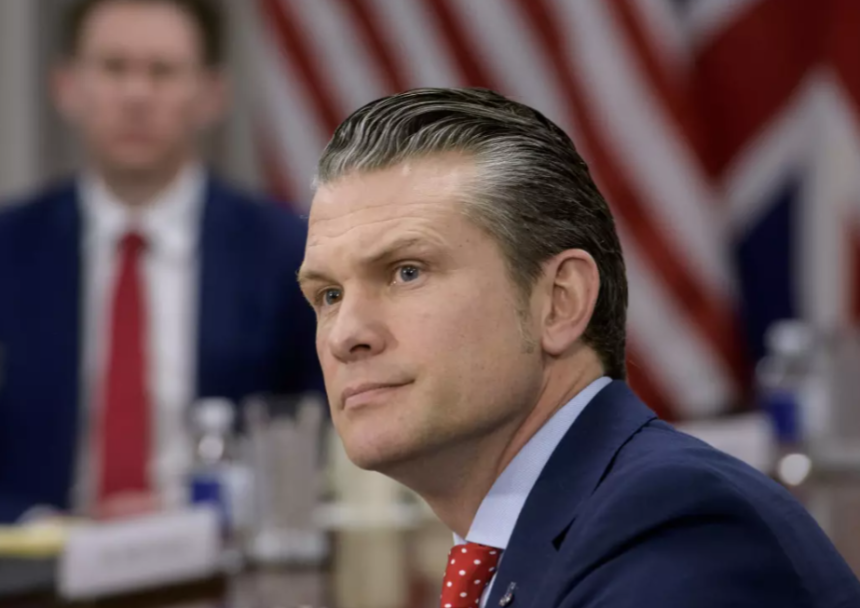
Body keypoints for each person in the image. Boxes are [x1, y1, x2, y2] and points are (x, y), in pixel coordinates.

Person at [298, 87, 860, 607]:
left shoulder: (676, 523)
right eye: (327, 294)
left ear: (560, 302)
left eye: (407, 272)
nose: (347, 334)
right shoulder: (539, 540)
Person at [0, 0, 321, 523]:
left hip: (224, 569)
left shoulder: (286, 251)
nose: (137, 95)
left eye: (162, 72)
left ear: (212, 95)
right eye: (113, 68)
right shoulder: (9, 248)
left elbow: (324, 436)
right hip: (40, 571)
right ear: (66, 87)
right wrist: (47, 530)